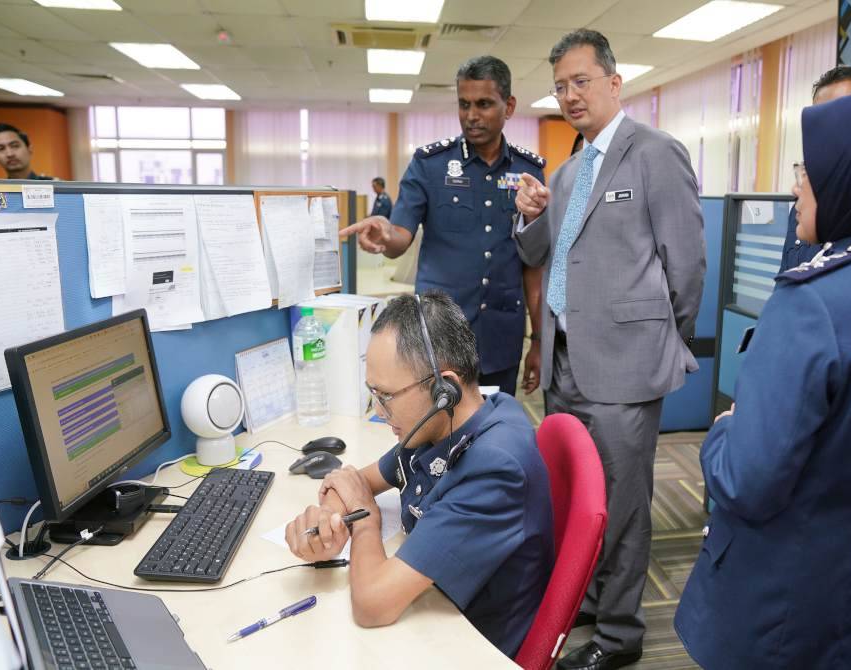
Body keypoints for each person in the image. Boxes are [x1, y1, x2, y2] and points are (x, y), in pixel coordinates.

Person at [674, 90, 851, 669]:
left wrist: (723, 432)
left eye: (810, 169)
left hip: (782, 591)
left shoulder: (812, 302)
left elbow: (745, 482)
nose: (797, 186)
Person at [515, 29, 705, 670]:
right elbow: (540, 253)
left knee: (622, 505)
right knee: (579, 496)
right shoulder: (569, 170)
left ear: (614, 83)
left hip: (625, 363)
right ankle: (591, 600)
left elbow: (687, 261)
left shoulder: (654, 153)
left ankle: (621, 634)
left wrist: (664, 336)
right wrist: (529, 213)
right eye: (561, 85)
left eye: (581, 81)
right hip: (568, 361)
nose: (570, 95)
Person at [284, 291, 554, 659]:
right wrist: (328, 521)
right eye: (373, 394)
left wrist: (364, 518)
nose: (379, 411)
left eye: (386, 396)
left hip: (468, 643)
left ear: (445, 388)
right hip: (434, 608)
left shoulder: (494, 470)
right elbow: (352, 480)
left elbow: (372, 605)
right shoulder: (442, 423)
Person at [340, 56, 545, 397]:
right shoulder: (430, 165)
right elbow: (399, 237)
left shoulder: (528, 172)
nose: (471, 115)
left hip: (501, 337)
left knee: (496, 434)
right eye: (464, 104)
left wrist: (537, 340)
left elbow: (532, 265)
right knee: (438, 437)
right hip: (440, 336)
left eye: (483, 104)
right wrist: (384, 233)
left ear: (508, 106)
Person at [779, 66, 851, 273]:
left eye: (838, 116)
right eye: (817, 119)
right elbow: (787, 278)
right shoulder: (804, 204)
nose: (824, 128)